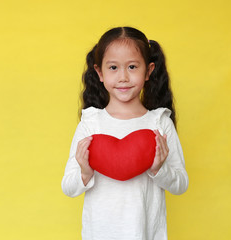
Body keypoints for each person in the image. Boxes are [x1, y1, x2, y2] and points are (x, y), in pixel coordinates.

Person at [61, 26, 188, 240]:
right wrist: (84, 172)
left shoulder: (159, 122)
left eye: (132, 66)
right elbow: (68, 187)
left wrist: (158, 169)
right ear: (99, 73)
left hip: (146, 234)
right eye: (113, 67)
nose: (123, 77)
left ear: (148, 71)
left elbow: (181, 184)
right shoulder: (91, 123)